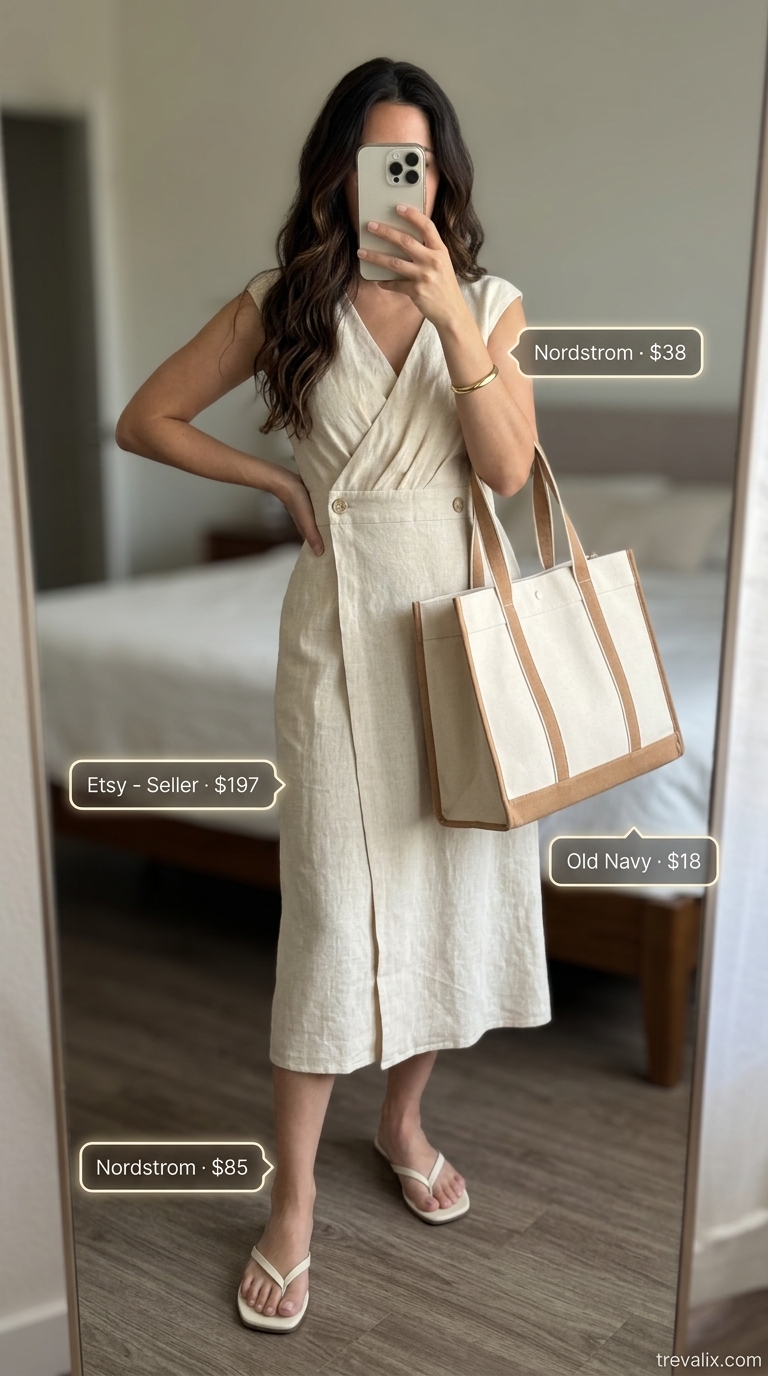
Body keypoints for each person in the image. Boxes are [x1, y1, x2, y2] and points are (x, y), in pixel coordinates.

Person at [116, 56, 551, 1334]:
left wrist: (456, 317)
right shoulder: (284, 302)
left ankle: (405, 1117)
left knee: (450, 892)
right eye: (378, 162)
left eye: (417, 163)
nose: (398, 186)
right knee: (327, 917)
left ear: (445, 177)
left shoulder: (493, 301)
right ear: (340, 172)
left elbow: (511, 469)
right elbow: (148, 419)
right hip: (335, 640)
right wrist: (279, 488)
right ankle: (292, 1202)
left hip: (458, 635)